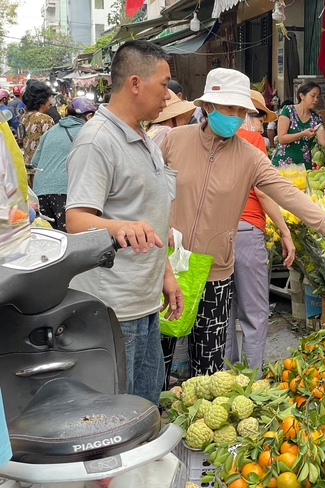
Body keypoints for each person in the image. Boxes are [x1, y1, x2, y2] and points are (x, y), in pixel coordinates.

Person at [160, 68, 325, 376]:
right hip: (171, 266)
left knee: (209, 368)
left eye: (242, 110)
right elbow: (146, 190)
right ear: (208, 107)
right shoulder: (173, 141)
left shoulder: (250, 155)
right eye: (231, 108)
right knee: (159, 358)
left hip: (216, 271)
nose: (237, 116)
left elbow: (287, 194)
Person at [65, 40, 182, 405]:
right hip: (114, 310)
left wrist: (165, 275)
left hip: (145, 303)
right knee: (115, 414)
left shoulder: (146, 140)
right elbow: (76, 220)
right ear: (135, 83)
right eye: (163, 84)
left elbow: (150, 218)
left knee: (145, 405)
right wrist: (117, 227)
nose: (168, 95)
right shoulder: (97, 142)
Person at [222, 89, 295, 375]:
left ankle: (226, 375)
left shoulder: (214, 141)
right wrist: (284, 230)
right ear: (249, 115)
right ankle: (252, 377)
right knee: (254, 312)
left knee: (224, 310)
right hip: (246, 230)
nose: (262, 125)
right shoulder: (253, 141)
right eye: (260, 117)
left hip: (217, 234)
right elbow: (263, 192)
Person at [31, 97, 98, 231]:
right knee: (70, 240)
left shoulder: (51, 131)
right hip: (64, 191)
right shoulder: (87, 132)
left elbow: (34, 162)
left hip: (40, 192)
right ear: (89, 116)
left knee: (51, 240)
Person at [270, 82, 325, 170]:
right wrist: (303, 134)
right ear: (302, 96)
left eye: (318, 96)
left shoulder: (316, 118)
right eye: (313, 96)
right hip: (282, 164)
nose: (316, 99)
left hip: (303, 167)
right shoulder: (288, 111)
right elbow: (282, 138)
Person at [21, 80, 55, 167]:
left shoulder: (24, 116)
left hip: (27, 166)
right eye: (48, 98)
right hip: (41, 167)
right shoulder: (45, 119)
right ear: (41, 100)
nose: (50, 101)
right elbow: (51, 146)